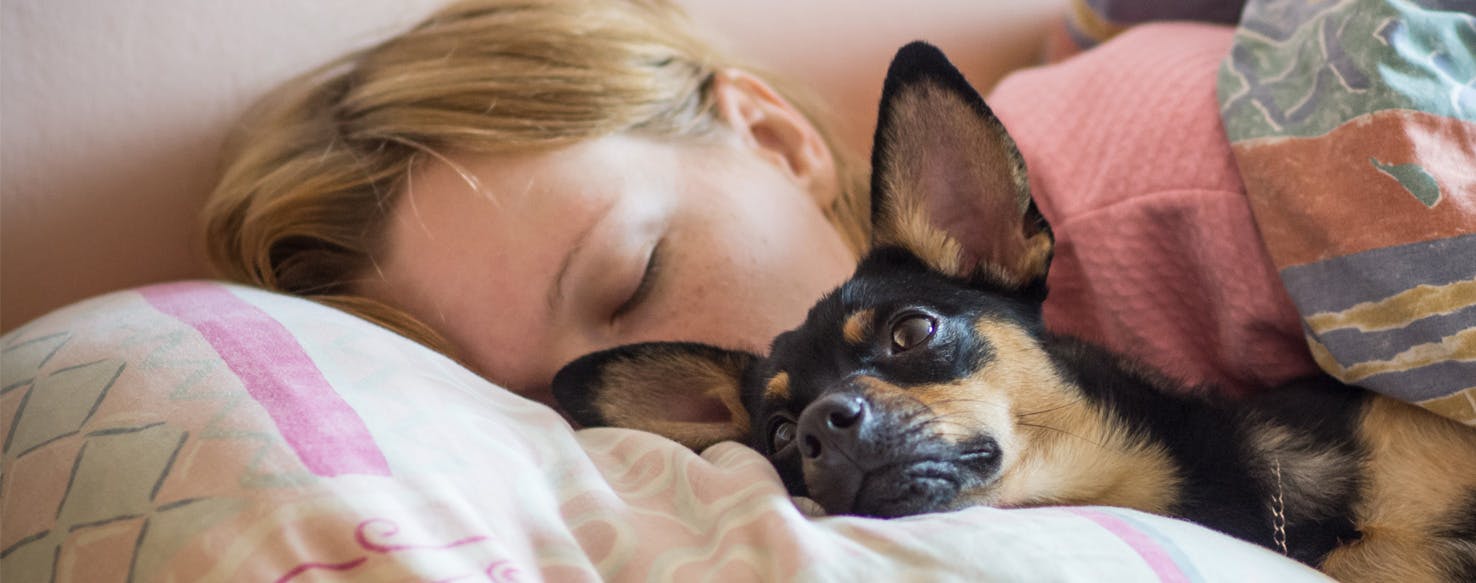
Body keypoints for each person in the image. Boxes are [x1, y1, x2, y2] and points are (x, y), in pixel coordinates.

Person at [204, 0, 1315, 409]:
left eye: (632, 278)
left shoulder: (1187, 196)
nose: (656, 402)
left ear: (778, 139)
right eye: (565, 408)